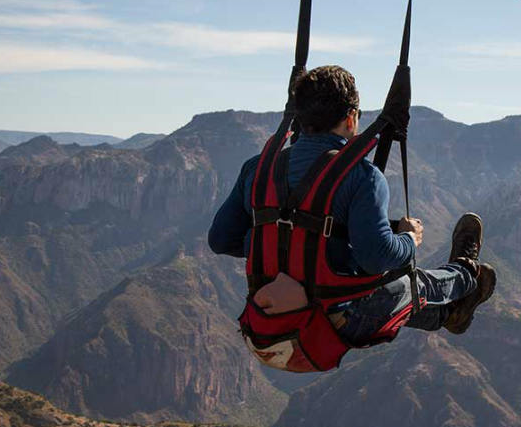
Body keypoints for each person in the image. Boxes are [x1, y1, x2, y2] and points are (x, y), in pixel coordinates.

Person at [208, 64, 496, 349]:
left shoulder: (256, 169)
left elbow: (221, 239)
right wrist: (410, 239)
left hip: (269, 315)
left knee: (398, 292)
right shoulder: (363, 177)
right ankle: (467, 274)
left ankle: (452, 311)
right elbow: (377, 257)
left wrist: (278, 245)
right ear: (350, 119)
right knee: (411, 284)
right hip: (336, 320)